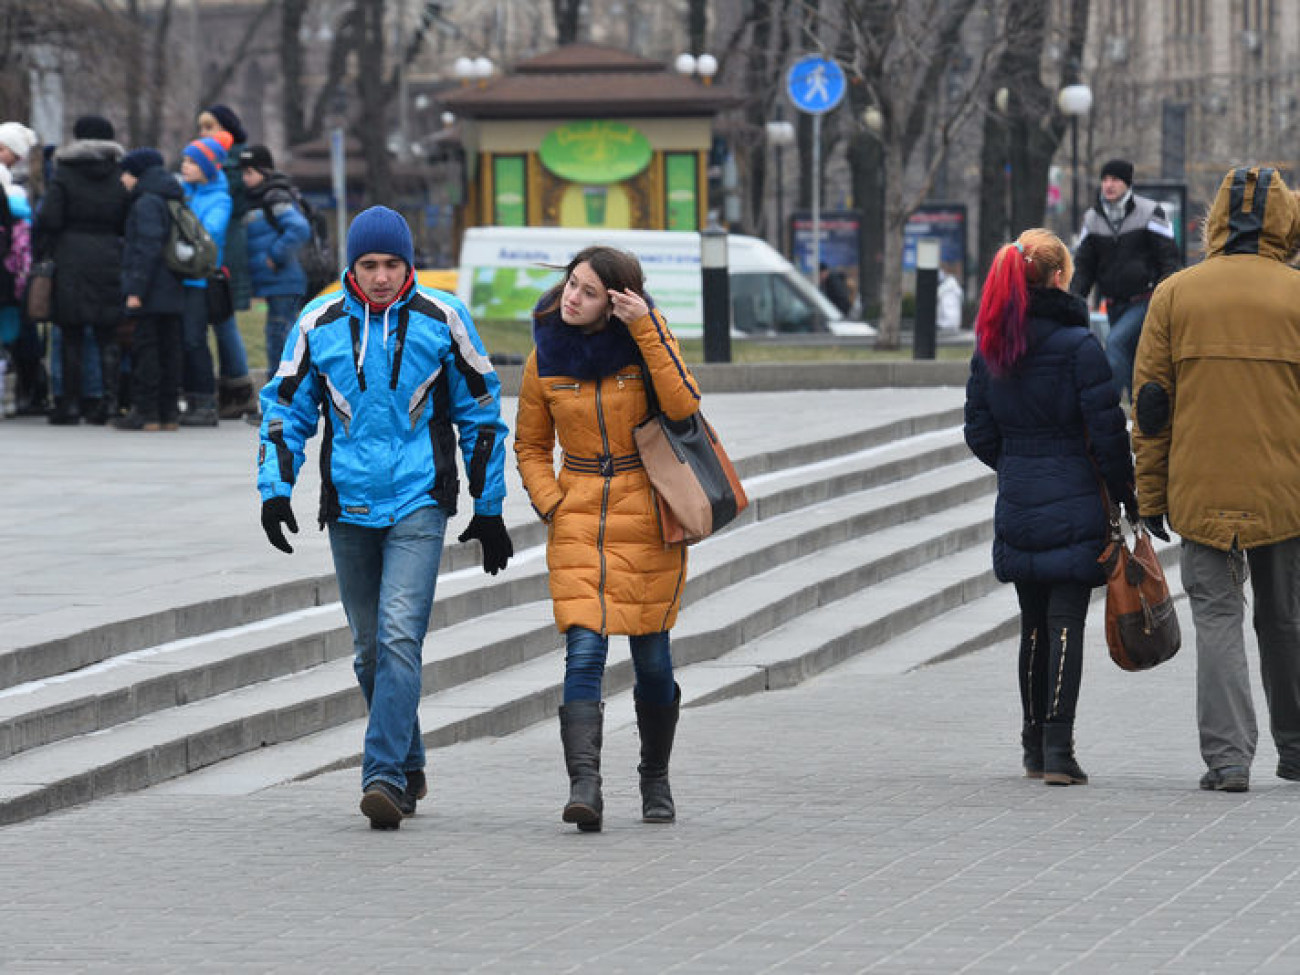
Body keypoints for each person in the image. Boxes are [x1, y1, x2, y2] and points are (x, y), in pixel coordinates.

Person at [255, 206, 513, 830]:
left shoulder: (442, 318)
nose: (379, 276)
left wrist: (490, 507)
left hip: (419, 502)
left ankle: (382, 776)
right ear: (352, 264)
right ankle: (410, 758)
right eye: (368, 264)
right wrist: (274, 490)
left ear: (408, 264)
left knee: (400, 636)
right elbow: (285, 408)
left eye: (391, 264)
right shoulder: (317, 322)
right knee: (370, 651)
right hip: (348, 507)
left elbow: (481, 412)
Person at [514, 246, 701, 832]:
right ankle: (585, 786)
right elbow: (529, 445)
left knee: (651, 657)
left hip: (645, 513)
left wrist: (645, 327)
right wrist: (551, 501)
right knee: (585, 648)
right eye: (572, 284)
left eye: (589, 291)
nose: (572, 297)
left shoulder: (644, 343)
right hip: (577, 514)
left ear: (616, 300)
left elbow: (684, 405)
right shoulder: (543, 355)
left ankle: (654, 774)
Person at [1132, 166, 1300, 794]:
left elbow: (1150, 408)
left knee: (1219, 622)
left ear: (1216, 220)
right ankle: (1297, 745)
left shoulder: (1176, 294)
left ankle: (1229, 760)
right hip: (1287, 493)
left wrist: (1151, 496)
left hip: (1201, 492)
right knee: (1286, 622)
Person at [964, 228, 1135, 786]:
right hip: (1075, 497)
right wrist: (1126, 491)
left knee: (1032, 624)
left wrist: (1016, 463)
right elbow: (1108, 431)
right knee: (1065, 621)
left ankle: (1033, 744)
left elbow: (978, 431)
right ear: (1060, 277)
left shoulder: (992, 345)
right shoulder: (1080, 348)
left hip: (1019, 496)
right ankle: (1060, 751)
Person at [33, 115, 129, 426]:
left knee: (71, 333)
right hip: (108, 256)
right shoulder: (118, 174)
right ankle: (107, 403)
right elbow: (125, 218)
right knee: (106, 334)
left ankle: (69, 404)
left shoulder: (65, 173)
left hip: (70, 257)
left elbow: (49, 217)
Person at [1070, 158, 1180, 399]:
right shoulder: (1092, 219)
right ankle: (1138, 413)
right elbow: (1084, 266)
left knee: (1116, 343)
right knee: (1132, 361)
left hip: (1145, 300)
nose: (1108, 185)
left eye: (1115, 180)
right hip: (1113, 304)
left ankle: (1104, 404)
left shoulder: (1150, 212)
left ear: (1127, 184)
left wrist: (1163, 296)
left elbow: (1169, 259)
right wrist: (1074, 299)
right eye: (1105, 180)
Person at [115, 148, 185, 431]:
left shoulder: (146, 202)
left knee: (146, 350)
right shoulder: (172, 197)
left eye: (126, 172)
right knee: (170, 349)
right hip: (174, 286)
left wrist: (136, 290)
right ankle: (169, 414)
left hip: (151, 288)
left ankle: (146, 413)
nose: (122, 178)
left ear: (137, 173)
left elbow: (147, 248)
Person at [196, 104, 257, 418]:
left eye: (211, 127)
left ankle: (239, 388)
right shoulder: (217, 162)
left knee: (223, 317)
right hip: (223, 244)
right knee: (221, 318)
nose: (205, 134)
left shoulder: (231, 164)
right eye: (202, 128)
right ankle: (233, 387)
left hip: (226, 247)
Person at [237, 145, 310, 373]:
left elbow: (299, 228)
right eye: (243, 173)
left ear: (265, 171)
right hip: (274, 282)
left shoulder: (274, 197)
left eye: (250, 172)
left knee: (280, 337)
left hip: (284, 281)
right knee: (277, 335)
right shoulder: (258, 198)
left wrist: (274, 256)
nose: (244, 178)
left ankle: (281, 393)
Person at [176, 135, 232, 426]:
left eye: (192, 162)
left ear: (208, 167)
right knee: (184, 341)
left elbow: (211, 233)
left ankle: (205, 401)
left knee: (194, 340)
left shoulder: (219, 198)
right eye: (184, 160)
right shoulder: (186, 192)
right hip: (182, 278)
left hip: (201, 279)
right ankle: (189, 398)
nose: (184, 166)